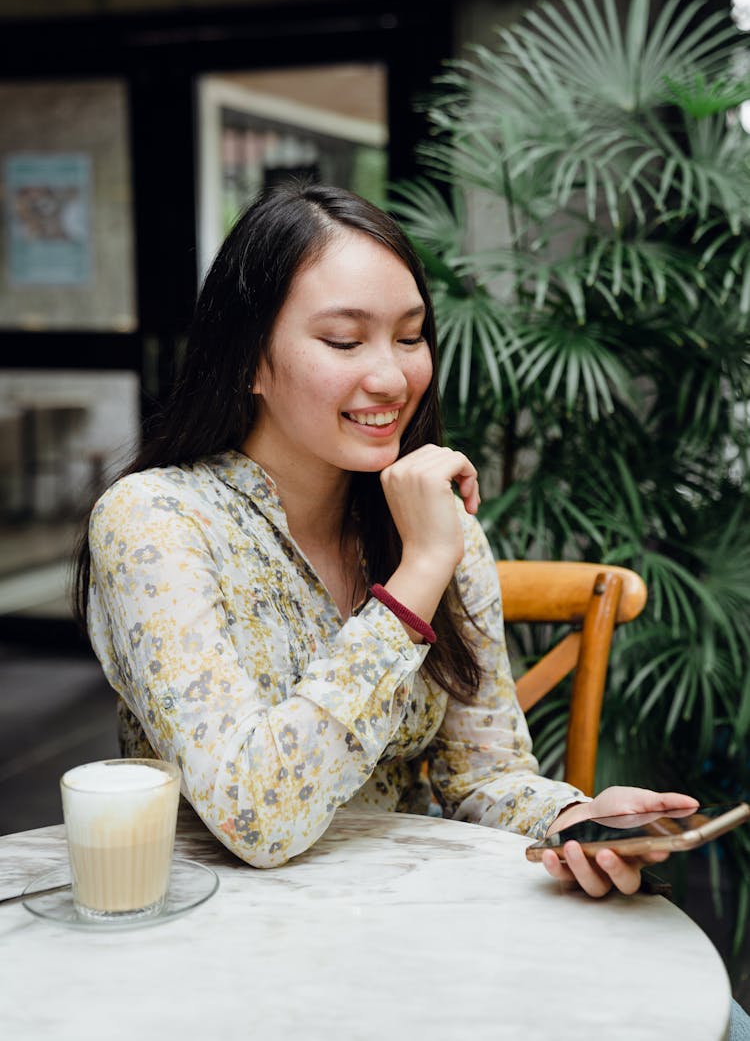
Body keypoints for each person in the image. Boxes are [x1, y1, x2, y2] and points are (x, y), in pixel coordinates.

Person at [75, 180, 696, 898]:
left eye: (410, 336)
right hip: (223, 938)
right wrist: (418, 575)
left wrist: (574, 819)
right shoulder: (156, 520)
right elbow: (258, 816)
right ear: (248, 359)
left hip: (407, 920)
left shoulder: (430, 519)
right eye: (344, 340)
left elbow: (483, 775)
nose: (392, 376)